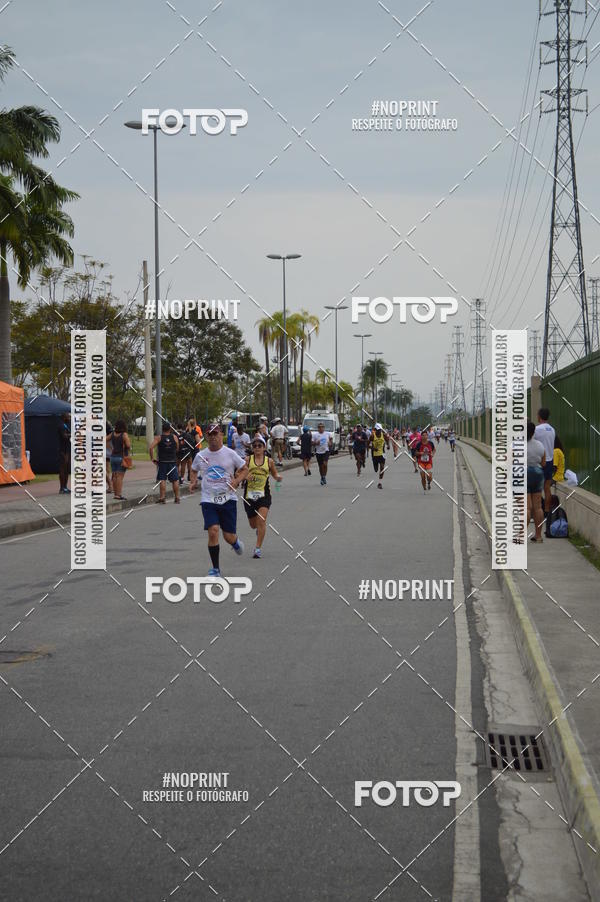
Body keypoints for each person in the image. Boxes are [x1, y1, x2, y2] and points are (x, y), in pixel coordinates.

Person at [190, 423, 248, 576]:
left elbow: (244, 469)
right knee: (213, 531)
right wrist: (193, 481)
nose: (213, 437)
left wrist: (236, 481)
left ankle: (235, 543)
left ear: (221, 435)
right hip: (208, 499)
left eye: (216, 434)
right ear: (207, 437)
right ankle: (215, 569)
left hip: (228, 499)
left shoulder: (229, 453)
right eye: (210, 434)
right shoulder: (200, 455)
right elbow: (194, 469)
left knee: (228, 536)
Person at [242, 434, 282, 558]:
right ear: (252, 448)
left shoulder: (269, 461)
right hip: (249, 496)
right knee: (253, 525)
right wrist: (245, 476)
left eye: (260, 445)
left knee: (261, 519)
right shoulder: (248, 460)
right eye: (255, 446)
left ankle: (257, 549)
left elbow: (274, 474)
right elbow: (238, 472)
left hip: (264, 495)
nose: (257, 448)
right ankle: (258, 530)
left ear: (264, 447)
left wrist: (278, 478)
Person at [149, 422, 180, 504]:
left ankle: (162, 497)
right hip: (172, 461)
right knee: (175, 480)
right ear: (170, 429)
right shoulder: (175, 437)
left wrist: (152, 458)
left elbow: (151, 447)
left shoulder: (159, 438)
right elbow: (177, 448)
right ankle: (177, 497)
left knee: (162, 479)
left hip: (162, 462)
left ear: (162, 429)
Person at [527, 420, 546, 543]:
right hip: (538, 474)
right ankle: (538, 536)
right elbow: (543, 463)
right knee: (537, 507)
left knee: (526, 508)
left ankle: (520, 536)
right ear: (534, 432)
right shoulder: (540, 445)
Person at [534, 408, 556, 513]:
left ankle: (538, 511)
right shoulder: (552, 429)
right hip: (550, 461)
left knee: (537, 489)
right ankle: (547, 512)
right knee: (547, 488)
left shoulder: (537, 429)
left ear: (539, 416)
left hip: (540, 462)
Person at [107, 419, 131, 500]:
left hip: (113, 457)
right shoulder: (124, 435)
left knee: (114, 476)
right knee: (120, 477)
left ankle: (115, 493)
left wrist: (110, 448)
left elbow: (104, 439)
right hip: (121, 457)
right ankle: (118, 494)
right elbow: (128, 445)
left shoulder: (112, 434)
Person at [368, 423, 390, 489]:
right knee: (376, 469)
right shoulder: (372, 436)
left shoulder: (384, 435)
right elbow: (367, 445)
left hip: (382, 454)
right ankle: (374, 464)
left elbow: (387, 440)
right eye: (377, 430)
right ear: (375, 430)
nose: (379, 431)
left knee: (382, 468)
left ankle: (380, 483)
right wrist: (373, 448)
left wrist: (388, 445)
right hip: (374, 454)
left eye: (380, 430)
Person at [57, 412, 71, 494]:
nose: (69, 419)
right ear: (64, 418)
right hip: (62, 450)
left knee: (66, 469)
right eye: (68, 417)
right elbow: (64, 436)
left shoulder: (66, 426)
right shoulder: (61, 426)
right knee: (63, 469)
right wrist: (72, 435)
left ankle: (65, 487)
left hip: (67, 449)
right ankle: (62, 488)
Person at [105, 421, 113, 493]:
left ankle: (110, 485)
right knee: (107, 469)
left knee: (105, 469)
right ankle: (110, 485)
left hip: (105, 451)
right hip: (108, 451)